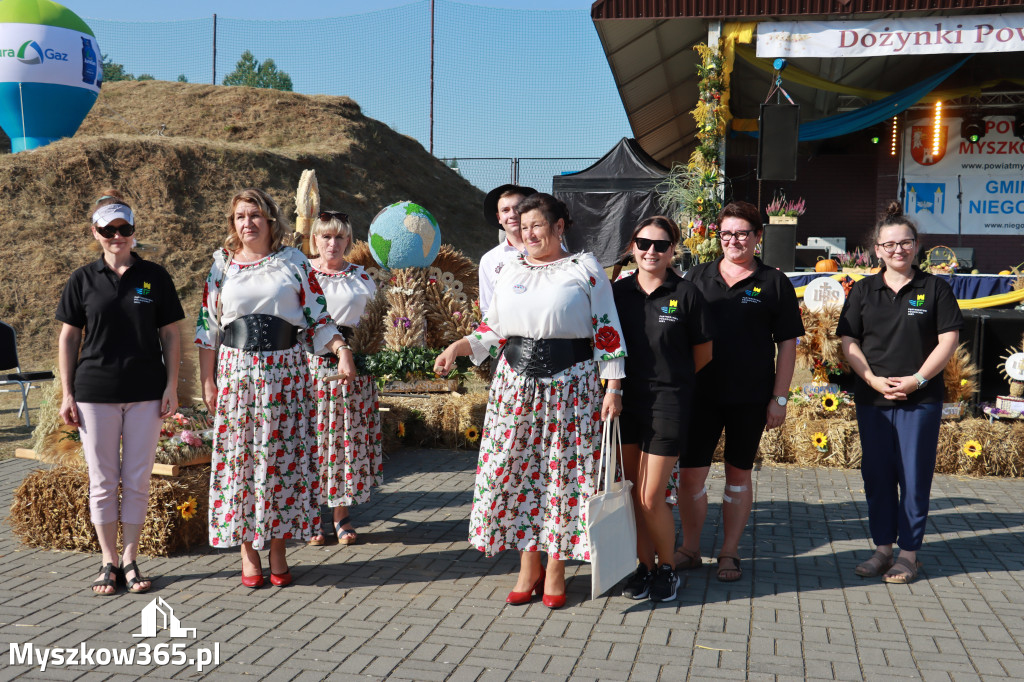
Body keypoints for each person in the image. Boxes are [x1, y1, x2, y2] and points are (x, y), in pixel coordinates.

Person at [434, 193, 626, 609]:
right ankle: (528, 564)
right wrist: (457, 347)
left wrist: (613, 388)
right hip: (515, 387)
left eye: (537, 225)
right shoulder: (509, 270)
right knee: (518, 473)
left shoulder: (585, 268)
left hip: (570, 387)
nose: (529, 234)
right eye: (522, 228)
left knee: (562, 475)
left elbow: (607, 331)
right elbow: (493, 329)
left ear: (560, 226)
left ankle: (555, 567)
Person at [195, 188, 354, 589]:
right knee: (242, 463)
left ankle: (279, 550)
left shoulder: (294, 262)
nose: (247, 223)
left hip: (286, 374)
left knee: (282, 463)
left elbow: (319, 317)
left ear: (270, 220)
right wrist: (208, 382)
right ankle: (248, 552)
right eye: (239, 217)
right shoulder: (221, 267)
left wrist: (342, 351)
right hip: (238, 374)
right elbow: (207, 331)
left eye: (254, 215)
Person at [57, 190, 184, 595]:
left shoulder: (155, 277)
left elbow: (170, 334)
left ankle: (130, 559)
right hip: (94, 392)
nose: (117, 236)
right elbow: (68, 337)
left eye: (124, 228)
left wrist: (171, 386)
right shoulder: (82, 279)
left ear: (134, 231)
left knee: (136, 479)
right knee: (102, 479)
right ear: (94, 232)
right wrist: (66, 393)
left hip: (146, 392)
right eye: (108, 229)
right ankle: (107, 561)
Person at [677, 201, 804, 582]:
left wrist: (780, 399)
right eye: (727, 233)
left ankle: (729, 551)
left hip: (750, 397)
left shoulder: (773, 282)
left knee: (738, 475)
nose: (734, 241)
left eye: (742, 233)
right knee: (690, 477)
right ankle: (690, 547)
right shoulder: (696, 277)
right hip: (699, 395)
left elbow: (788, 344)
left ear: (758, 237)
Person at [837, 202, 961, 584]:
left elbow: (948, 340)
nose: (897, 251)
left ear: (916, 245)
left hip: (919, 399)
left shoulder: (934, 288)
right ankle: (882, 549)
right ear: (877, 249)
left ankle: (909, 553)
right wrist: (872, 380)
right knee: (876, 474)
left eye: (904, 243)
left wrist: (918, 380)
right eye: (889, 245)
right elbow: (848, 341)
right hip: (873, 399)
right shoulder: (862, 290)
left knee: (913, 474)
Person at [609, 216, 713, 602]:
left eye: (661, 245)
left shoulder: (686, 294)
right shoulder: (617, 294)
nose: (651, 251)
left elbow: (703, 354)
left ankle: (667, 569)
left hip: (669, 403)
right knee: (632, 493)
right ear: (632, 247)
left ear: (673, 250)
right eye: (643, 243)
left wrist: (673, 379)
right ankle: (645, 567)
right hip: (624, 402)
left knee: (652, 496)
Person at [305, 210, 381, 546]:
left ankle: (341, 514)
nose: (332, 243)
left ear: (348, 240)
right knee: (312, 442)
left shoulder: (361, 276)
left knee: (344, 442)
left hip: (353, 372)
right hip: (312, 367)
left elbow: (376, 321)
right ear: (315, 239)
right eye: (325, 236)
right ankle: (309, 515)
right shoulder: (302, 272)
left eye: (338, 237)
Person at [477, 184, 536, 318]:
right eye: (505, 210)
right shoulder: (489, 260)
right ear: (499, 217)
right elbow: (487, 310)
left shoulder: (552, 250)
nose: (512, 214)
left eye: (518, 208)